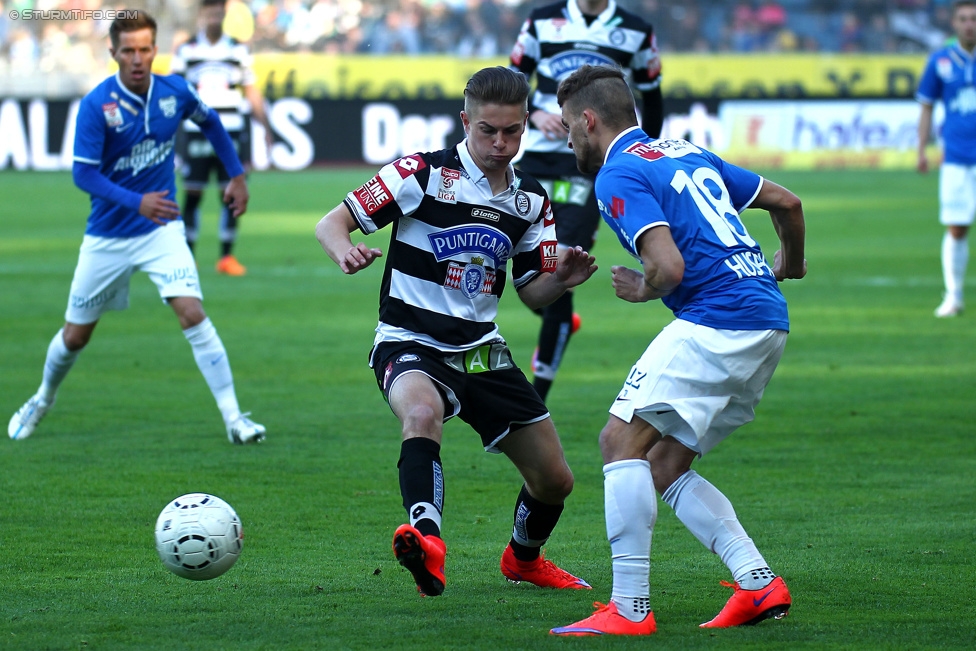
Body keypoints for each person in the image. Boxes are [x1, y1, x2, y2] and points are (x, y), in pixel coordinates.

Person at [315, 66, 598, 597]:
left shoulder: (531, 200)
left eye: (513, 131)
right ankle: (427, 540)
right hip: (409, 341)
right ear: (465, 121)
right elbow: (330, 223)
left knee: (555, 480)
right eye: (488, 130)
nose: (501, 143)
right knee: (422, 414)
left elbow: (530, 292)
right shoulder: (418, 174)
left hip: (480, 350)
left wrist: (562, 280)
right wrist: (344, 250)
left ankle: (523, 559)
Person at [550, 64, 806, 636]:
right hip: (766, 319)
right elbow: (787, 203)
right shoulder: (687, 152)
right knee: (663, 462)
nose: (566, 138)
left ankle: (629, 608)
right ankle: (757, 583)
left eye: (568, 126)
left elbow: (667, 267)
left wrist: (643, 288)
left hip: (718, 319)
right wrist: (791, 263)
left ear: (588, 120)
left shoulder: (616, 175)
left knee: (620, 441)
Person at [7, 12, 266, 445]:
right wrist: (136, 201)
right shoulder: (96, 105)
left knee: (192, 312)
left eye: (145, 49)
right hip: (107, 236)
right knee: (75, 335)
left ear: (155, 50)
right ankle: (42, 398)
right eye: (128, 50)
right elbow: (83, 176)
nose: (138, 59)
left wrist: (236, 174)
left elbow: (212, 123)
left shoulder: (175, 90)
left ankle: (235, 418)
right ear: (113, 53)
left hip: (160, 228)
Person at [509, 0, 663, 401]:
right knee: (519, 268)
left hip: (588, 165)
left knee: (557, 270)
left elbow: (652, 98)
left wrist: (641, 157)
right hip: (539, 159)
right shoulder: (542, 21)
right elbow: (513, 79)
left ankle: (535, 397)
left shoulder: (636, 30)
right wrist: (538, 109)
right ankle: (558, 321)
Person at [170, 0, 273, 277]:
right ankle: (188, 257)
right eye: (209, 12)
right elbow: (173, 91)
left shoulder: (238, 49)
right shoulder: (187, 49)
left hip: (231, 133)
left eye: (218, 12)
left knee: (231, 193)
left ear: (224, 14)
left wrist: (265, 127)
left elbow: (251, 90)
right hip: (195, 132)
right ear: (201, 15)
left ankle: (226, 257)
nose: (214, 17)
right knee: (193, 194)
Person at [916, 0, 976, 318]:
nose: (969, 25)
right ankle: (953, 296)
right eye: (964, 19)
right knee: (957, 227)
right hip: (956, 158)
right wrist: (921, 149)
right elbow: (926, 106)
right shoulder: (940, 61)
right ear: (954, 23)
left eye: (974, 19)